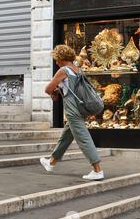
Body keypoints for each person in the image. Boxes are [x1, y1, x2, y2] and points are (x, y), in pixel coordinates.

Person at [40, 45, 105, 181]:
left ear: (61, 58)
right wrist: (59, 91)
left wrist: (53, 92)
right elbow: (71, 89)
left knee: (83, 138)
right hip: (80, 108)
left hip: (72, 110)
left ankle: (97, 170)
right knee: (66, 137)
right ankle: (51, 162)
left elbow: (48, 88)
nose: (56, 62)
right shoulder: (77, 69)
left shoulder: (63, 70)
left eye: (56, 59)